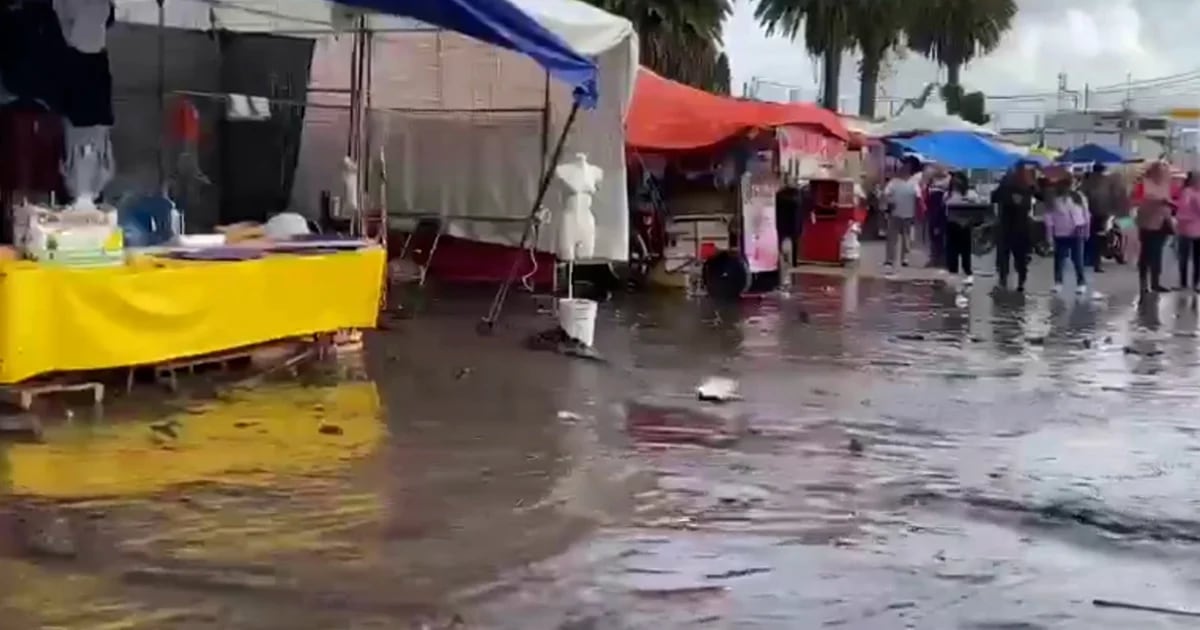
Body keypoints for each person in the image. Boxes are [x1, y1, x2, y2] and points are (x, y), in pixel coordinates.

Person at [991, 161, 1038, 292]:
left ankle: (1003, 280)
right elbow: (1040, 196)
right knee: (1020, 256)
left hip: (1005, 227)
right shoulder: (1028, 187)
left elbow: (993, 197)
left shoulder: (1004, 186)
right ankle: (1021, 281)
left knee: (1003, 255)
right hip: (1021, 227)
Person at [1043, 171, 1090, 295]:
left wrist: (1086, 230)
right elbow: (1049, 219)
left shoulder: (1079, 197)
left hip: (1077, 231)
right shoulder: (1053, 199)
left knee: (1078, 259)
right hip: (1061, 232)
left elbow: (1086, 214)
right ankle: (1058, 282)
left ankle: (1081, 283)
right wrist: (1049, 235)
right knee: (1059, 259)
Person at [1081, 162, 1127, 272]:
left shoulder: (1087, 181)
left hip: (1089, 214)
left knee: (1090, 238)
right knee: (1101, 238)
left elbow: (1083, 196)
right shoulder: (1105, 181)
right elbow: (1115, 196)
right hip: (1103, 213)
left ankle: (1088, 260)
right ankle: (1097, 263)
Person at [1137, 161, 1174, 294]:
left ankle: (1155, 282)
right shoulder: (1144, 184)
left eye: (1165, 171)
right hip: (1147, 222)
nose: (1163, 174)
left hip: (1163, 222)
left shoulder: (1165, 185)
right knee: (1146, 253)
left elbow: (1168, 201)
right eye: (1160, 171)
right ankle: (1143, 283)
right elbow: (1136, 200)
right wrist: (1155, 201)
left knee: (1157, 253)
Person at [883, 156, 922, 270]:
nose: (903, 167)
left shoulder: (914, 182)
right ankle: (890, 259)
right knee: (892, 238)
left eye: (906, 166)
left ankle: (904, 258)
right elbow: (886, 195)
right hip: (894, 214)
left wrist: (918, 213)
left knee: (907, 238)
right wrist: (889, 202)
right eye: (903, 165)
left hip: (909, 215)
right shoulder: (894, 182)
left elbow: (918, 198)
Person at [944, 172, 979, 284]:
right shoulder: (947, 195)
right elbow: (945, 209)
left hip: (965, 226)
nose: (956, 182)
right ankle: (953, 274)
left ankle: (967, 273)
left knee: (965, 253)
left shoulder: (971, 194)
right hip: (952, 225)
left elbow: (977, 208)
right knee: (952, 252)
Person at [1175, 171, 1200, 291]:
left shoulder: (1185, 192)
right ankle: (1191, 283)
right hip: (1189, 228)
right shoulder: (1189, 192)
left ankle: (1187, 283)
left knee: (1188, 257)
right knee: (1193, 257)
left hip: (1188, 228)